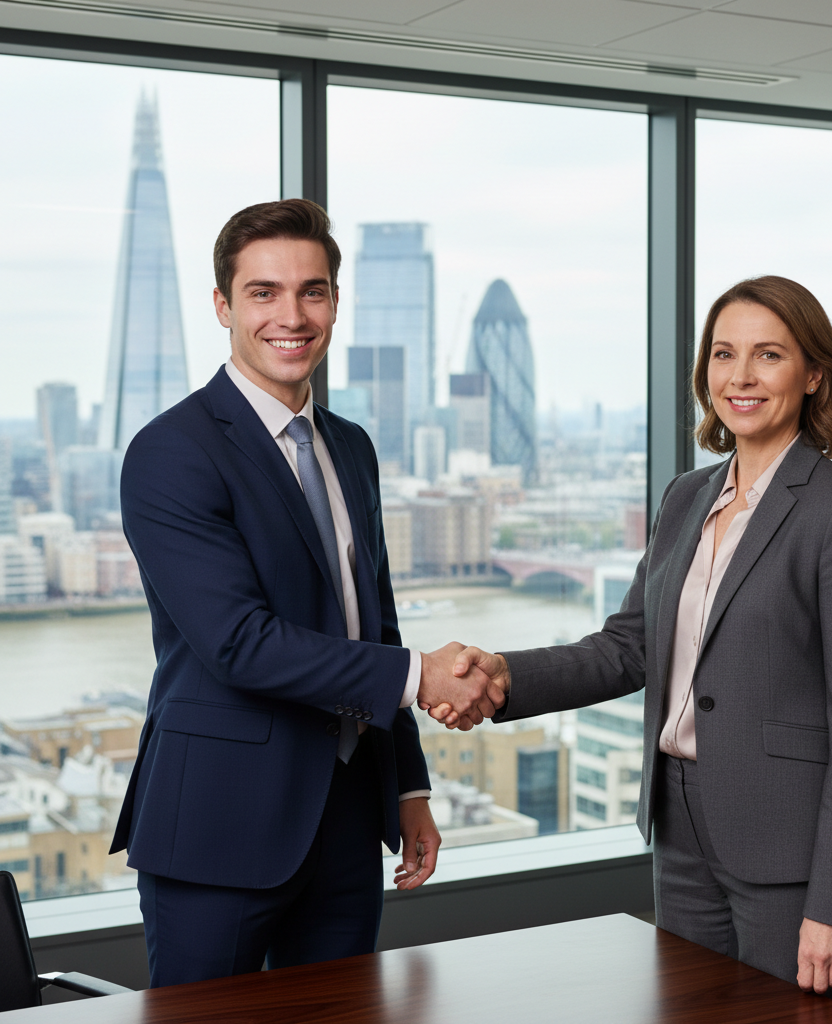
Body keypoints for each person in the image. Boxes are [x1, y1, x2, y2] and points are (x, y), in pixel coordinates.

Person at [433, 276, 832, 1003]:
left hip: (785, 839)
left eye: (769, 354)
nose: (740, 376)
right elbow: (628, 647)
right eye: (724, 354)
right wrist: (502, 674)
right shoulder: (686, 497)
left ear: (813, 374)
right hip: (678, 823)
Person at [110, 199, 502, 986]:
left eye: (311, 291)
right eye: (263, 293)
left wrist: (407, 786)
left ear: (334, 302)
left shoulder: (351, 447)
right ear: (222, 305)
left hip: (347, 818)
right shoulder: (170, 452)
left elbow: (375, 627)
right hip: (219, 823)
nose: (291, 316)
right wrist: (424, 675)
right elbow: (238, 643)